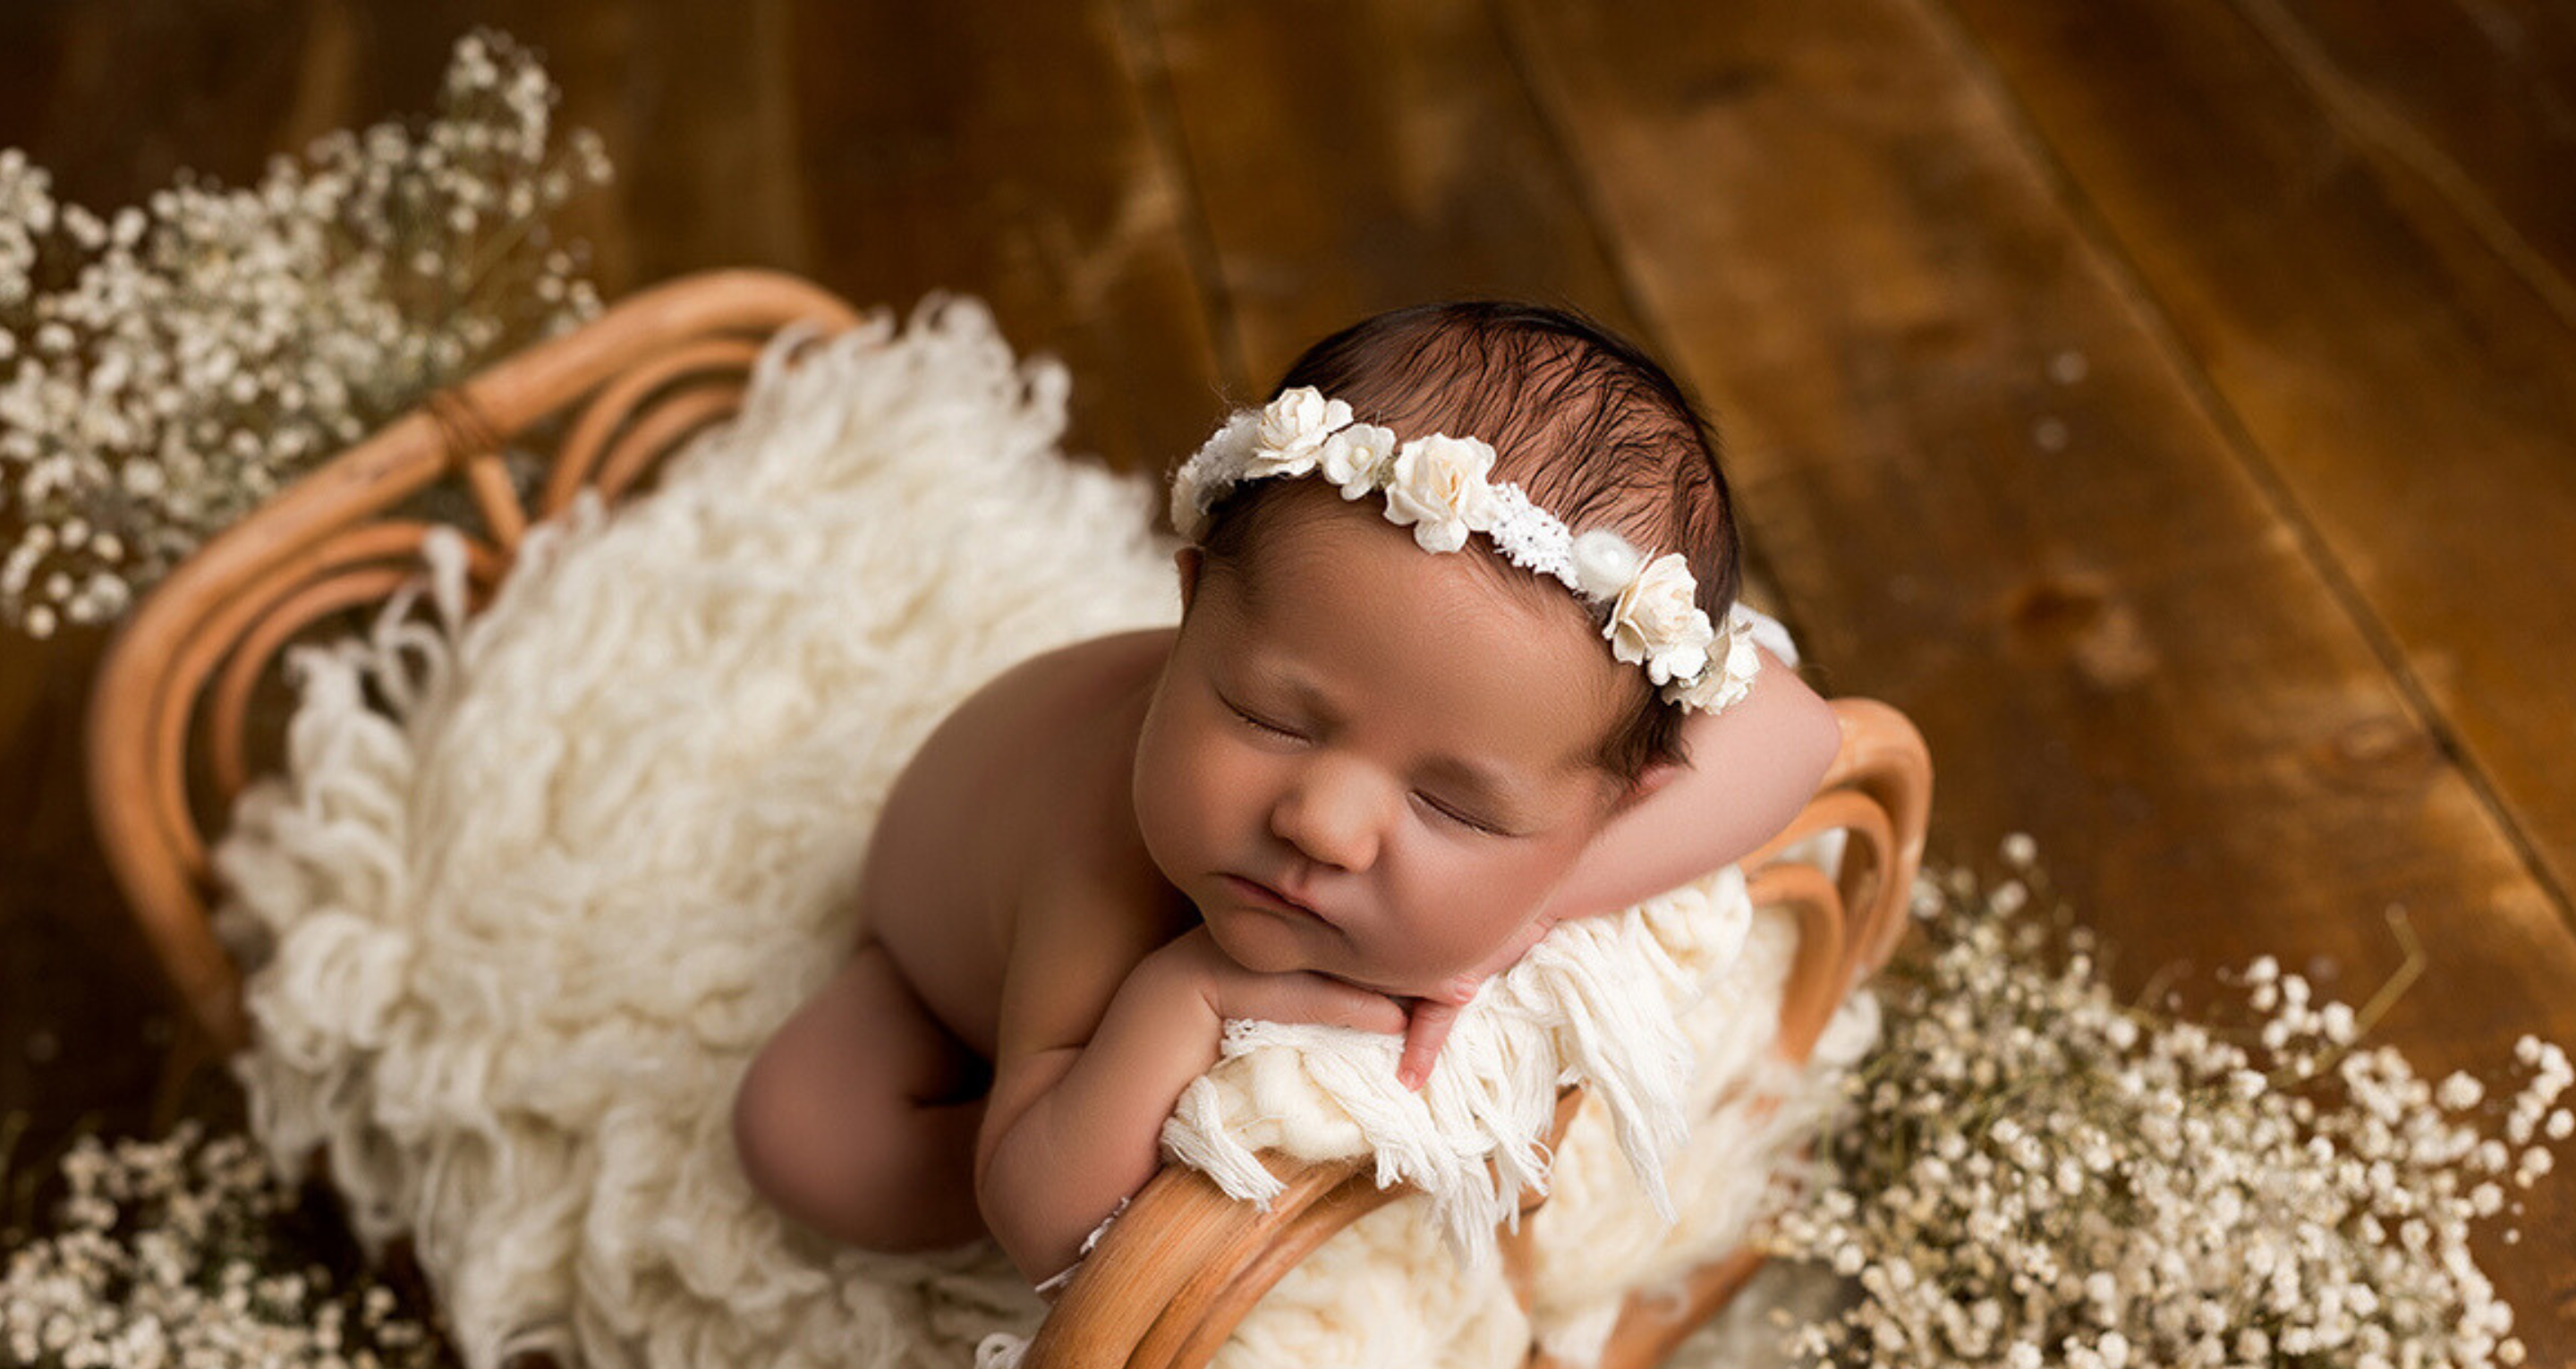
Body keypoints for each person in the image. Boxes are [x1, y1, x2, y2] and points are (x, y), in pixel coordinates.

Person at [731, 301, 1843, 1288]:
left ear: (1615, 799)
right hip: (936, 962)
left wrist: (1538, 893)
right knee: (799, 1133)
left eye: (1456, 808)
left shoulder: (1558, 730)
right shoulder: (1104, 860)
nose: (1323, 822)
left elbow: (1799, 732)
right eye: (1271, 718)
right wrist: (1186, 1000)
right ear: (1191, 607)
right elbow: (1034, 1214)